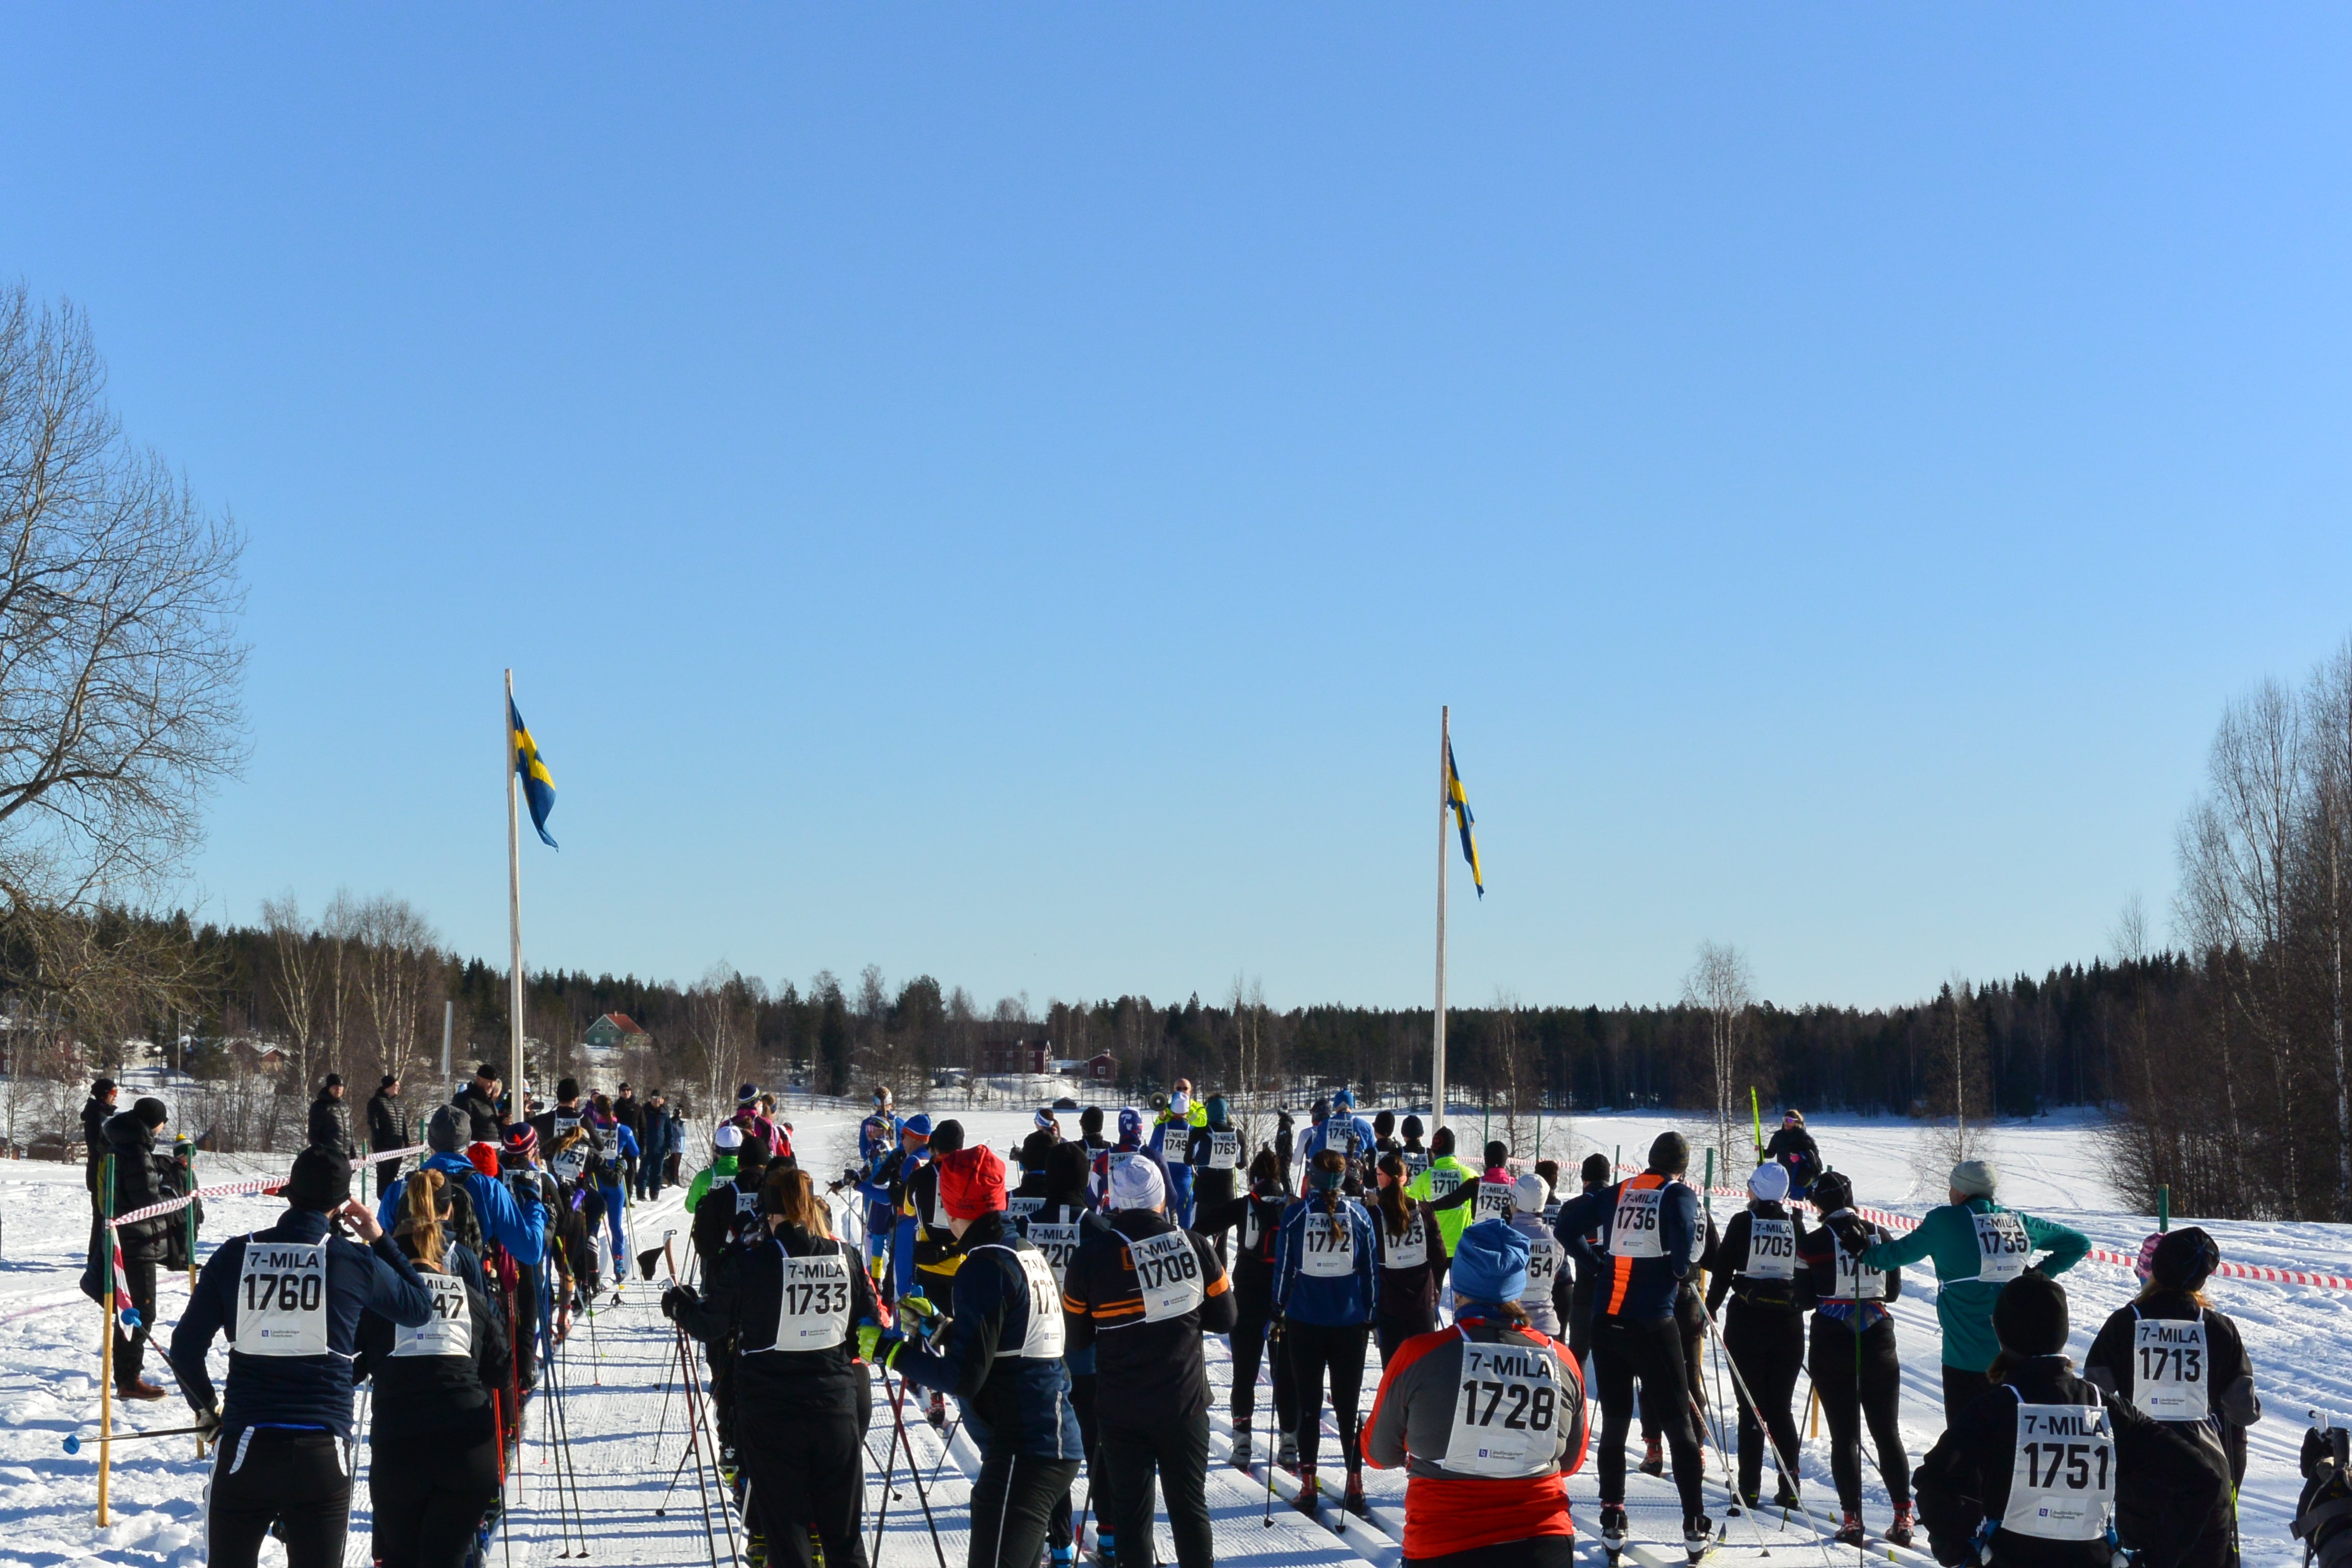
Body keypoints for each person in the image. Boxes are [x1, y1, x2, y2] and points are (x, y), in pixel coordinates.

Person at [169, 1145, 436, 1568]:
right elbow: (420, 1308)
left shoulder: (237, 1254)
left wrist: (206, 1409)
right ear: (341, 1204)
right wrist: (379, 1238)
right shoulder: (354, 1259)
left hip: (247, 1445)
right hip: (322, 1451)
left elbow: (184, 1349)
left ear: (288, 1191)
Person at [1912, 1273, 2225, 1568]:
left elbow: (1934, 1484)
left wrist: (1960, 1550)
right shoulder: (2106, 1408)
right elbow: (2202, 1478)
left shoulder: (1994, 1409)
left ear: (2000, 1333)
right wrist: (2155, 1558)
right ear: (2063, 1333)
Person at [881, 1144, 1086, 1568]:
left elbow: (963, 1377)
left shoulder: (983, 1264)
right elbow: (1004, 1343)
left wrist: (889, 1351)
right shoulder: (1022, 1250)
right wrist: (939, 1325)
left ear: (954, 1205)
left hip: (1024, 1448)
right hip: (1047, 1442)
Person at [668, 1164, 879, 1568]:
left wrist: (678, 1304)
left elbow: (711, 1324)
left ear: (769, 1210)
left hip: (772, 1413)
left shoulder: (753, 1261)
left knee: (787, 1534)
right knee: (845, 1537)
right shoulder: (846, 1255)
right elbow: (864, 1332)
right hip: (835, 1405)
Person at [1365, 1218, 1592, 1568]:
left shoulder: (1419, 1354)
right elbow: (1571, 1461)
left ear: (1459, 1284)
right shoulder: (1560, 1359)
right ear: (1519, 1285)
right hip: (1543, 1542)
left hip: (1444, 1543)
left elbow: (1380, 1454)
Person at [1063, 1156, 1235, 1568]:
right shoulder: (1194, 1244)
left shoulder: (1089, 1257)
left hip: (1122, 1410)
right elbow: (1225, 1318)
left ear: (1115, 1200)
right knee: (1189, 1510)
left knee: (1131, 1518)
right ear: (1162, 1196)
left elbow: (1078, 1338)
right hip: (1184, 1404)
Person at [1550, 1130, 1711, 1560]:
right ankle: (1694, 1523)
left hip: (1607, 1323)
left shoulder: (1620, 1190)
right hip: (1653, 1324)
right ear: (1683, 1166)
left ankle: (1613, 1518)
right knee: (1678, 1422)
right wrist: (1678, 1269)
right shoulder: (1677, 1193)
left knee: (1617, 1422)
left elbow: (1566, 1223)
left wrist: (1594, 1263)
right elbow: (1684, 1257)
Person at [356, 1166, 513, 1568]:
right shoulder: (466, 1284)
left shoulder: (381, 1281)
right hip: (465, 1442)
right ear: (449, 1213)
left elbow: (351, 1364)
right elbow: (500, 1370)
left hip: (400, 1444)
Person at [1855, 1158, 2091, 1421]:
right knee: (2010, 1442)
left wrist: (1864, 1252)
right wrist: (2037, 1276)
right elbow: (2079, 1243)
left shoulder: (1944, 1220)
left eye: (1952, 1186)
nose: (1949, 1192)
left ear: (1962, 1191)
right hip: (2018, 1359)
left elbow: (1894, 1256)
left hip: (1965, 1357)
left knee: (1964, 1442)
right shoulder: (2018, 1222)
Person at [2082, 1228, 2260, 1568]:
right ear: (2203, 1278)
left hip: (2143, 1480)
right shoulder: (2218, 1327)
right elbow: (2242, 1410)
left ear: (2155, 1268)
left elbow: (2095, 1400)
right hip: (2208, 1477)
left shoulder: (2123, 1324)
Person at [1800, 1169, 1912, 1546]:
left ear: (1816, 1204)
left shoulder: (1813, 1241)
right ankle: (1903, 1516)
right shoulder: (1881, 1234)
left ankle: (1852, 1521)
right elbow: (1893, 1292)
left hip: (1832, 1338)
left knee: (1843, 1437)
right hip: (1878, 1333)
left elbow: (1801, 1299)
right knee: (1887, 1434)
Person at [1275, 1148, 1381, 1517]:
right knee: (1349, 1405)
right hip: (1350, 1325)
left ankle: (1308, 1485)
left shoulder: (1296, 1216)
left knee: (1309, 1406)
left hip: (1305, 1323)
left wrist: (1277, 1309)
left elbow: (1285, 1270)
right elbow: (1370, 1272)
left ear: (1314, 1181)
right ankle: (1355, 1484)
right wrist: (1370, 1313)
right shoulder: (1361, 1216)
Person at [1020, 1137, 1109, 1565]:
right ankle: (1109, 1535)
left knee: (1051, 1451)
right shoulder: (1098, 1227)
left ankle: (1059, 1542)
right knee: (1098, 1446)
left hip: (1040, 1358)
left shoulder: (1023, 1226)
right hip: (1088, 1356)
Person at [1704, 1162, 1810, 1512]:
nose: (1747, 1191)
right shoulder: (1795, 1223)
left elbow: (1721, 1270)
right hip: (1788, 1324)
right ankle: (1790, 1486)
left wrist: (1711, 1309)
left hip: (1748, 1322)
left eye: (1751, 1186)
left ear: (1758, 1190)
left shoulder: (1742, 1222)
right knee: (1780, 1408)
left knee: (1751, 1409)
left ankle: (1749, 1488)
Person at [1196, 1146, 1300, 1473]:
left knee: (1245, 1372)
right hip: (1284, 1300)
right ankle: (1289, 1442)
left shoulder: (1245, 1206)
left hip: (1247, 1299)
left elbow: (1200, 1229)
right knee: (1285, 1373)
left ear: (1252, 1179)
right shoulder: (1294, 1208)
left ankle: (1242, 1441)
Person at [377, 1106, 549, 1282]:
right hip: (466, 1296)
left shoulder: (399, 1190)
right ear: (468, 1144)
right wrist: (534, 1202)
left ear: (431, 1143)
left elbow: (381, 1252)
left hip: (409, 1295)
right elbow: (531, 1251)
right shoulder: (488, 1188)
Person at [95, 1095, 178, 1399]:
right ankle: (129, 1379)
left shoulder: (123, 1142)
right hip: (136, 1241)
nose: (163, 1127)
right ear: (154, 1122)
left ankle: (129, 1377)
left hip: (127, 1239)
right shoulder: (136, 1150)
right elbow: (148, 1201)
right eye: (162, 1121)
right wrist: (174, 1197)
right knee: (139, 1312)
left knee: (132, 1311)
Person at [1370, 1151, 1442, 1362]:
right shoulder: (1424, 1210)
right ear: (1405, 1178)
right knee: (1425, 1369)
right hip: (1422, 1300)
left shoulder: (1374, 1214)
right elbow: (1439, 1255)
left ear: (1383, 1178)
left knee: (1394, 1371)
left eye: (1378, 1174)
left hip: (1389, 1303)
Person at [1404, 1126, 1477, 1301]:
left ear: (1434, 1150)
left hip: (1435, 1247)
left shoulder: (1425, 1177)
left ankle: (1434, 1326)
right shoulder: (1470, 1175)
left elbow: (1408, 1199)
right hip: (1463, 1247)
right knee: (1467, 1299)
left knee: (1432, 1298)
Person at [1562, 1154, 1611, 1365]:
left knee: (1577, 1357)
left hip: (1584, 1292)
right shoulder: (1621, 1204)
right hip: (1614, 1293)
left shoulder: (1572, 1207)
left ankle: (1579, 1398)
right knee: (1612, 1360)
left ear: (1584, 1179)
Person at [1507, 1169, 1565, 1338]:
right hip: (1547, 1328)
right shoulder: (1555, 1239)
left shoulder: (1503, 1236)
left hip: (1512, 1326)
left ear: (1515, 1201)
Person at [586, 1092, 639, 1277]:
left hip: (596, 1180)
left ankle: (591, 1266)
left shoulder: (591, 1129)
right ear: (613, 1110)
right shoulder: (624, 1130)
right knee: (615, 1225)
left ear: (596, 1111)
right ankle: (618, 1265)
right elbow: (636, 1151)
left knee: (593, 1223)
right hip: (615, 1181)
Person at [1186, 1094, 1243, 1258]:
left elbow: (1187, 1160)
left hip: (1204, 1193)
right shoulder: (1237, 1133)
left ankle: (1200, 1275)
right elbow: (1241, 1164)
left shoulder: (1199, 1132)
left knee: (1196, 1236)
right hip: (1227, 1195)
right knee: (1222, 1242)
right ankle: (1221, 1278)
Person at [1091, 1107, 1173, 1208]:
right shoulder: (1154, 1157)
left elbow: (1093, 1197)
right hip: (1146, 1216)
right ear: (1140, 1127)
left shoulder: (1103, 1158)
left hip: (1113, 1217)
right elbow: (1171, 1197)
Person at [1759, 1110, 1821, 1197]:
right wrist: (1761, 1151)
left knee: (1797, 1205)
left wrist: (1800, 1157)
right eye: (1785, 1120)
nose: (1787, 1123)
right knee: (1777, 1200)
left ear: (1796, 1123)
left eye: (1790, 1121)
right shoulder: (1778, 1136)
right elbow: (1770, 1153)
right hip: (1782, 1175)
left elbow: (1813, 1155)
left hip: (1798, 1176)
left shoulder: (1803, 1137)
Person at [367, 1076, 409, 1196]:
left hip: (397, 1146)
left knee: (393, 1174)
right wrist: (379, 1143)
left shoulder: (399, 1103)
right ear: (388, 1087)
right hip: (383, 1147)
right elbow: (373, 1123)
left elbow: (404, 1124)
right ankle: (383, 1199)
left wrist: (407, 1142)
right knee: (383, 1175)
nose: (398, 1088)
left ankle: (391, 1199)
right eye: (396, 1086)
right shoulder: (376, 1102)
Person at [82, 1076, 119, 1204]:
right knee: (101, 1216)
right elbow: (100, 1146)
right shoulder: (98, 1117)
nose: (116, 1097)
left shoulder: (102, 1114)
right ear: (104, 1095)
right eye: (113, 1093)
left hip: (100, 1170)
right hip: (100, 1171)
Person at [454, 1064, 504, 1144]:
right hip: (474, 1151)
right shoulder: (465, 1099)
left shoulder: (489, 1102)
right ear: (479, 1079)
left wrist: (503, 1121)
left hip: (491, 1151)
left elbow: (489, 1126)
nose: (491, 1086)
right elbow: (459, 1129)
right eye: (489, 1082)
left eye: (493, 1083)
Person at [310, 1074, 352, 1155]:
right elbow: (314, 1135)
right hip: (329, 1156)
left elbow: (350, 1132)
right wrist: (320, 1154)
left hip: (345, 1155)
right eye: (335, 1086)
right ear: (329, 1088)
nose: (338, 1089)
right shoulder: (319, 1106)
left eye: (341, 1086)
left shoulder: (345, 1107)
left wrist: (353, 1152)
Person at [1398, 1114, 1431, 1180]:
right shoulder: (1431, 1154)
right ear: (1422, 1134)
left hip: (1403, 1190)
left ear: (1403, 1134)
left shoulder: (1397, 1155)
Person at [1274, 1108, 1295, 1189]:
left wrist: (1279, 1153)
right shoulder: (1285, 1124)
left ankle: (1290, 1194)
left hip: (1285, 1154)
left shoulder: (1285, 1125)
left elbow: (1283, 1140)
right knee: (1279, 1175)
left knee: (1284, 1175)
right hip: (1285, 1153)